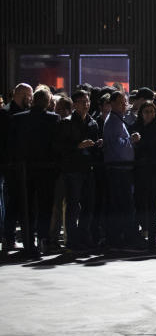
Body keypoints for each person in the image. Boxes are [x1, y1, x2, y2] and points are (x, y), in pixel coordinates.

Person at [9, 88, 59, 256]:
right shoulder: (53, 119)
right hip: (46, 170)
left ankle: (28, 242)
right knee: (45, 207)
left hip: (25, 170)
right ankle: (43, 240)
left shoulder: (18, 119)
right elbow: (54, 146)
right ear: (46, 102)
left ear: (33, 101)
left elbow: (14, 145)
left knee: (27, 207)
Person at [58, 90, 102, 252]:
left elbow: (95, 149)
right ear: (75, 104)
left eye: (88, 101)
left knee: (88, 205)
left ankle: (85, 236)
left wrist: (97, 145)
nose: (86, 104)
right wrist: (78, 146)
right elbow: (61, 147)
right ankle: (72, 239)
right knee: (73, 205)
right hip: (73, 169)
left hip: (88, 168)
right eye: (82, 101)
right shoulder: (67, 123)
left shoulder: (93, 123)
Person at [101, 89, 142, 250]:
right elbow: (119, 146)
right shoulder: (113, 121)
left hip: (122, 168)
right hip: (118, 169)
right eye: (120, 102)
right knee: (122, 204)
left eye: (124, 102)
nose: (124, 105)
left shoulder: (117, 120)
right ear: (111, 104)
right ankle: (120, 238)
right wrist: (131, 140)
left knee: (123, 204)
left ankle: (121, 237)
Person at [1, 83, 34, 253]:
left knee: (19, 202)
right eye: (29, 95)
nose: (31, 99)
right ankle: (9, 237)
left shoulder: (13, 113)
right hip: (13, 166)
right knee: (13, 202)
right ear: (21, 95)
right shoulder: (7, 114)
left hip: (19, 164)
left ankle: (13, 237)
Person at [132, 101, 156, 251]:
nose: (149, 114)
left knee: (153, 204)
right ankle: (141, 234)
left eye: (152, 111)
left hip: (154, 171)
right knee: (139, 203)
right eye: (146, 111)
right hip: (139, 171)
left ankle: (152, 237)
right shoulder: (136, 126)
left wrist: (141, 142)